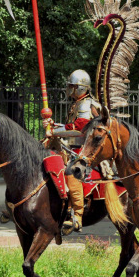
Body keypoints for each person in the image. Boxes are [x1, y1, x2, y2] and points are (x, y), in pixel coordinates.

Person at [43, 69, 101, 234]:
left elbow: (80, 129)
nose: (70, 89)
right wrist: (55, 126)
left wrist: (54, 132)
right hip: (74, 148)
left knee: (71, 171)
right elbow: (71, 126)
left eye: (72, 86)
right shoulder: (78, 103)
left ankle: (77, 215)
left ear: (81, 87)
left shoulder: (86, 104)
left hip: (87, 150)